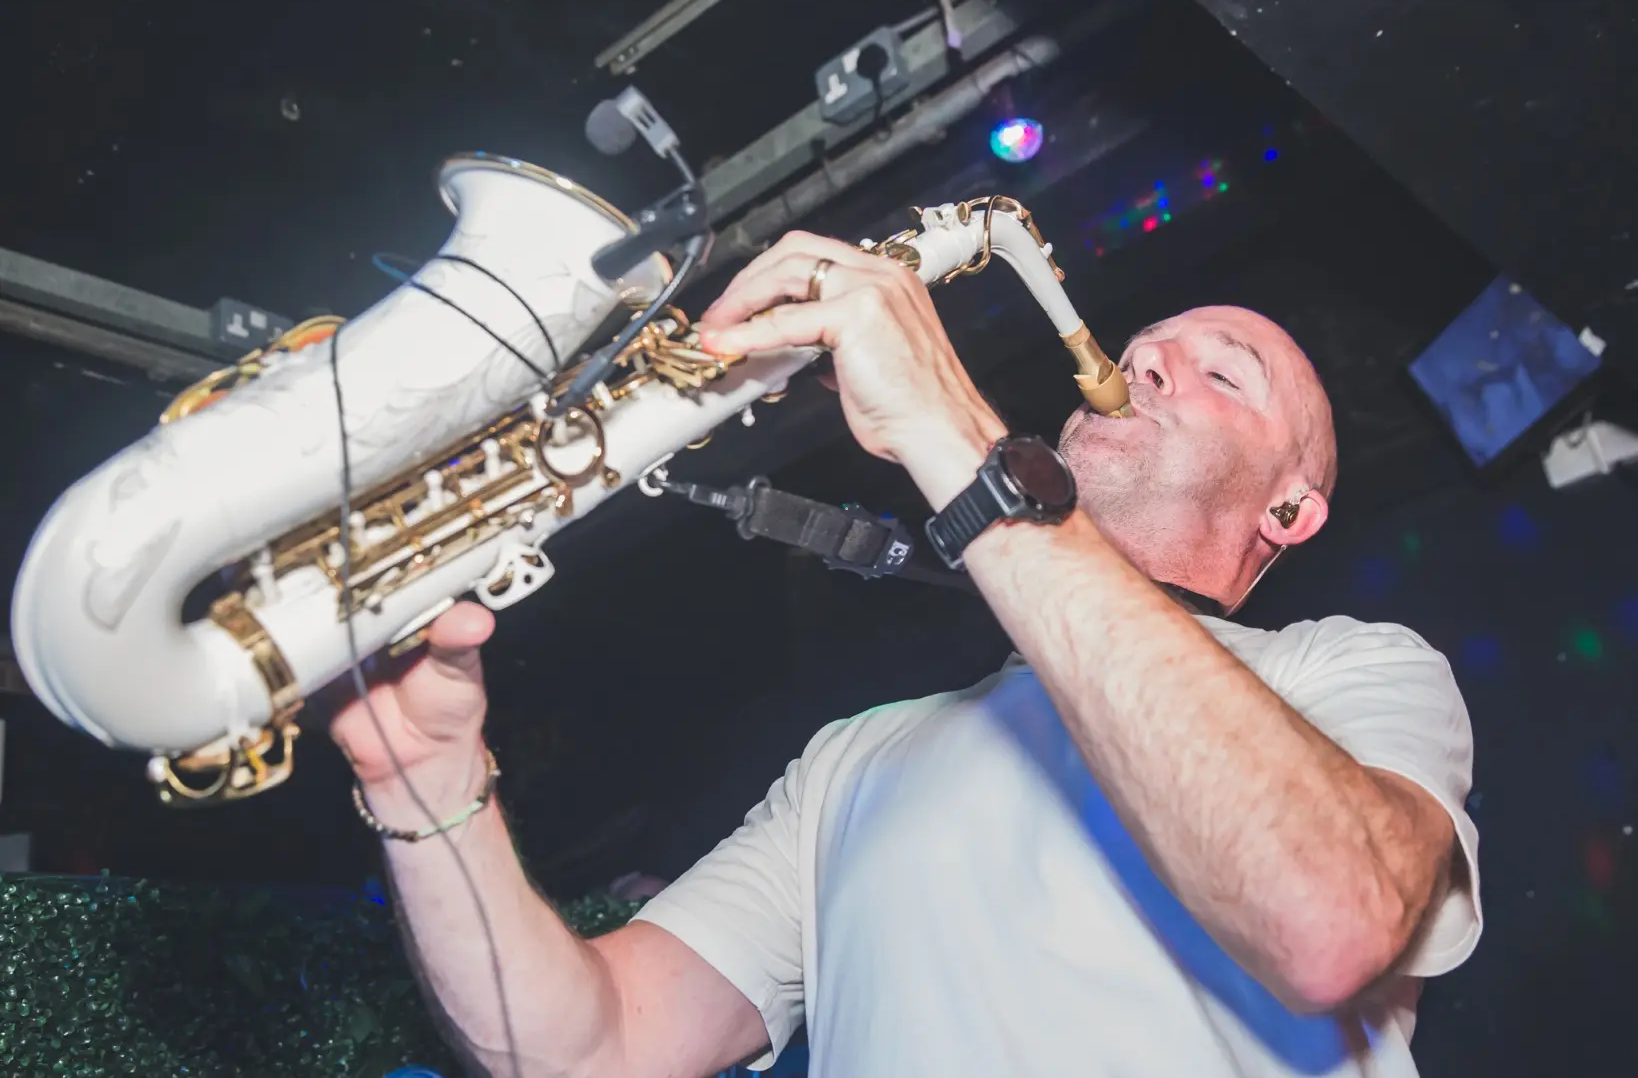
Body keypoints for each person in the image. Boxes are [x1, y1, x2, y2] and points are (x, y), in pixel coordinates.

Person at [331, 231, 1480, 1078]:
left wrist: (949, 431)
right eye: (1148, 349)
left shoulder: (1348, 672)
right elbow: (582, 1052)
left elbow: (1328, 922)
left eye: (1224, 373)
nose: (1152, 365)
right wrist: (425, 782)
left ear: (1289, 512)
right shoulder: (857, 758)